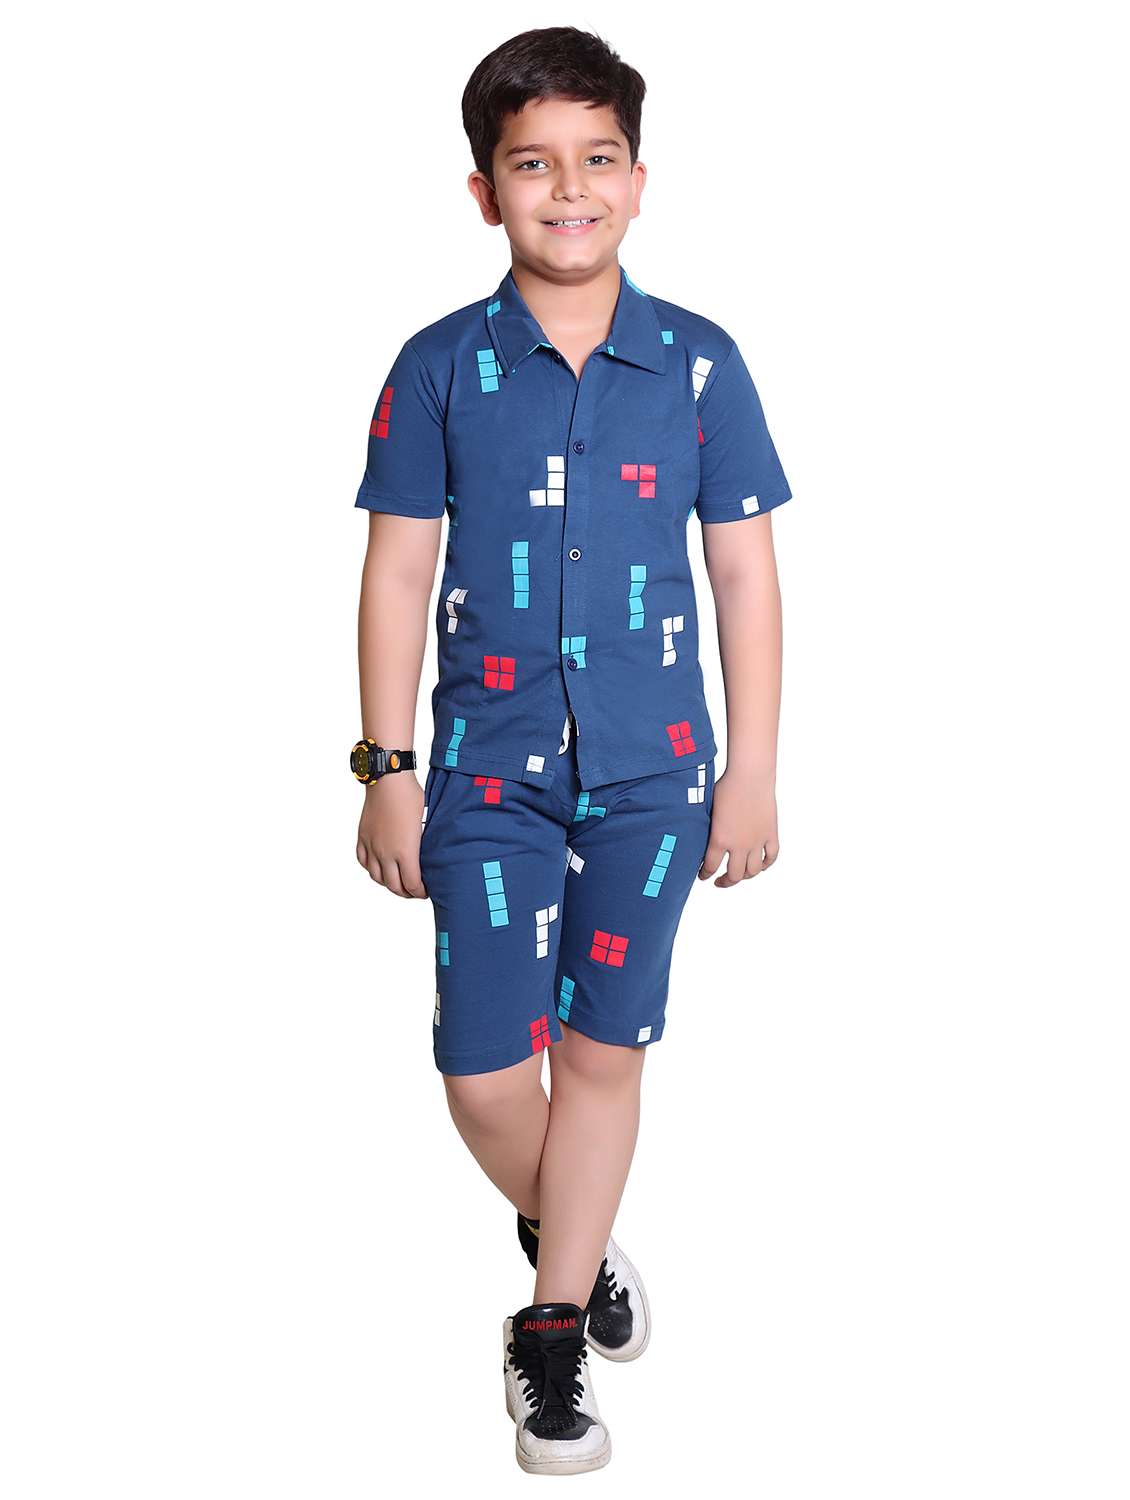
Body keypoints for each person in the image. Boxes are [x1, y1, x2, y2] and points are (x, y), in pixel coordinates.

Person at [351, 26, 792, 1476]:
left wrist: (750, 770)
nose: (570, 189)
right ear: (486, 193)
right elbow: (397, 575)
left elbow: (743, 577)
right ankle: (575, 1238)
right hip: (486, 772)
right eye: (533, 165)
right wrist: (385, 768)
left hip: (654, 773)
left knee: (603, 1053)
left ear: (640, 181)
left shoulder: (702, 366)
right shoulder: (437, 368)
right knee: (487, 1074)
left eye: (598, 158)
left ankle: (547, 1335)